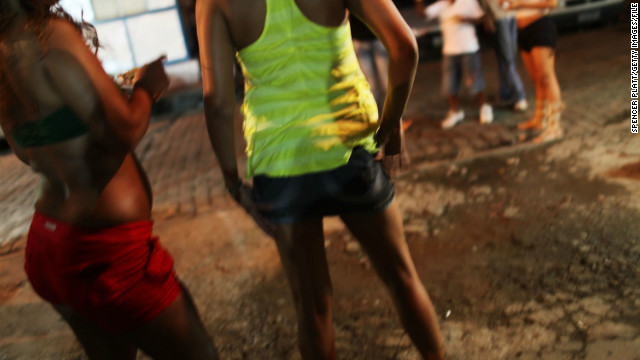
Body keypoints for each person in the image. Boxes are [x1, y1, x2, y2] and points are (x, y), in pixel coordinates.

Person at [196, 0, 445, 359]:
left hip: (281, 162)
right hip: (347, 147)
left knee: (312, 308)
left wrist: (232, 181)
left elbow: (216, 100)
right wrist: (390, 122)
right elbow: (405, 47)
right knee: (401, 277)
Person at [0, 1, 218, 359]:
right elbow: (127, 128)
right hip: (106, 257)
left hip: (49, 245)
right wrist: (148, 86)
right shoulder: (52, 33)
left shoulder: (4, 47)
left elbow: (26, 152)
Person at [422, 0, 495, 129]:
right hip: (449, 51)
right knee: (449, 84)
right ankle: (455, 112)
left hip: (469, 48)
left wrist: (466, 19)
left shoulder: (467, 2)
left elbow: (482, 17)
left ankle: (485, 107)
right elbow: (423, 14)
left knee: (475, 81)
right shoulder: (441, 5)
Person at [502, 0, 563, 141]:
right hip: (523, 30)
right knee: (536, 78)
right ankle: (540, 119)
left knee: (546, 77)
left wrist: (520, 4)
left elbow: (552, 3)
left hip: (540, 26)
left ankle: (555, 127)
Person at [479, 0, 528, 112]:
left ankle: (505, 92)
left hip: (510, 14)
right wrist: (487, 18)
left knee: (507, 57)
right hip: (498, 17)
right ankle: (519, 95)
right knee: (507, 59)